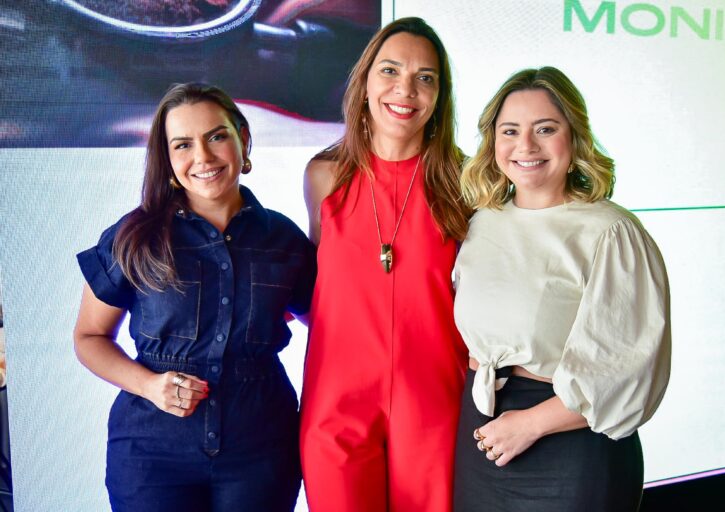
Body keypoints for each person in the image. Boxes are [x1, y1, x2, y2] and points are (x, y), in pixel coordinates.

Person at [73, 83, 316, 512]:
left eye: (216, 136)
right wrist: (148, 385)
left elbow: (331, 322)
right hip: (151, 458)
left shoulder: (284, 240)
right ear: (167, 159)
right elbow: (89, 337)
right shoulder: (134, 237)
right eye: (183, 144)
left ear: (243, 138)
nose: (202, 157)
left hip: (261, 452)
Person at [453, 67, 671, 511]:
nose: (526, 146)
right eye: (510, 131)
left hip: (572, 445)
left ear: (574, 137)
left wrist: (530, 424)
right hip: (482, 434)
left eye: (545, 129)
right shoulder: (480, 222)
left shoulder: (611, 231)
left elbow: (627, 368)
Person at [299, 17, 472, 512]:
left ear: (440, 95)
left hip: (435, 407)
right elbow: (321, 285)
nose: (406, 90)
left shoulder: (465, 183)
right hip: (336, 405)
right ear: (365, 81)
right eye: (391, 71)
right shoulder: (324, 176)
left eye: (425, 78)